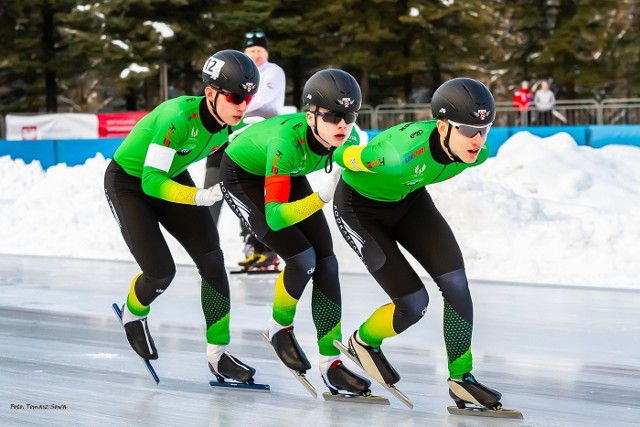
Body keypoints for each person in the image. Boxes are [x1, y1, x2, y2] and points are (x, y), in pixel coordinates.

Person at [331, 77, 505, 410]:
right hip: (359, 209)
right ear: (443, 126)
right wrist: (348, 155)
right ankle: (363, 342)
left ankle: (461, 378)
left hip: (409, 200)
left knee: (455, 283)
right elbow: (342, 155)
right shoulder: (396, 154)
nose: (478, 140)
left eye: (485, 129)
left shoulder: (477, 153)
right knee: (413, 304)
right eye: (469, 130)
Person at [104, 50, 261, 384]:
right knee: (160, 273)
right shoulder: (177, 117)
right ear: (210, 93)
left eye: (248, 97)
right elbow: (150, 180)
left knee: (213, 261)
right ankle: (134, 313)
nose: (242, 105)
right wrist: (198, 196)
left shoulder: (230, 123)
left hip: (171, 178)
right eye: (235, 97)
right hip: (131, 183)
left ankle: (218, 356)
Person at [218, 68, 372, 396]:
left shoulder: (352, 138)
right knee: (303, 260)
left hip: (290, 172)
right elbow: (274, 218)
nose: (342, 124)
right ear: (310, 115)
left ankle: (331, 364)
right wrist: (320, 197)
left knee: (328, 262)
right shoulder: (285, 142)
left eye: (349, 115)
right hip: (243, 176)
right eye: (332, 116)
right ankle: (279, 328)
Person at [204, 28, 286, 272]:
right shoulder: (239, 72)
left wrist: (234, 102)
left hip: (259, 135)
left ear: (266, 52)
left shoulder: (274, 72)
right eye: (251, 51)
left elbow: (263, 101)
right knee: (214, 183)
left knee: (248, 190)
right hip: (229, 131)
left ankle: (265, 248)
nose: (256, 55)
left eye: (259, 50)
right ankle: (209, 246)